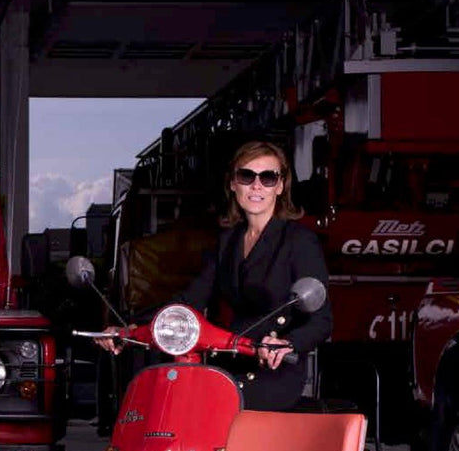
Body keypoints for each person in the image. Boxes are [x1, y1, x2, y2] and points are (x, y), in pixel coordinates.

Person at [101, 139, 333, 411]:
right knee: (168, 400)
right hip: (227, 363)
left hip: (274, 370)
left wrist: (287, 344)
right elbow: (189, 301)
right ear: (233, 184)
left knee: (205, 408)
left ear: (280, 186)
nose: (257, 186)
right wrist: (129, 328)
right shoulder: (228, 242)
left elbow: (322, 320)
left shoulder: (299, 241)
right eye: (247, 176)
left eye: (268, 177)